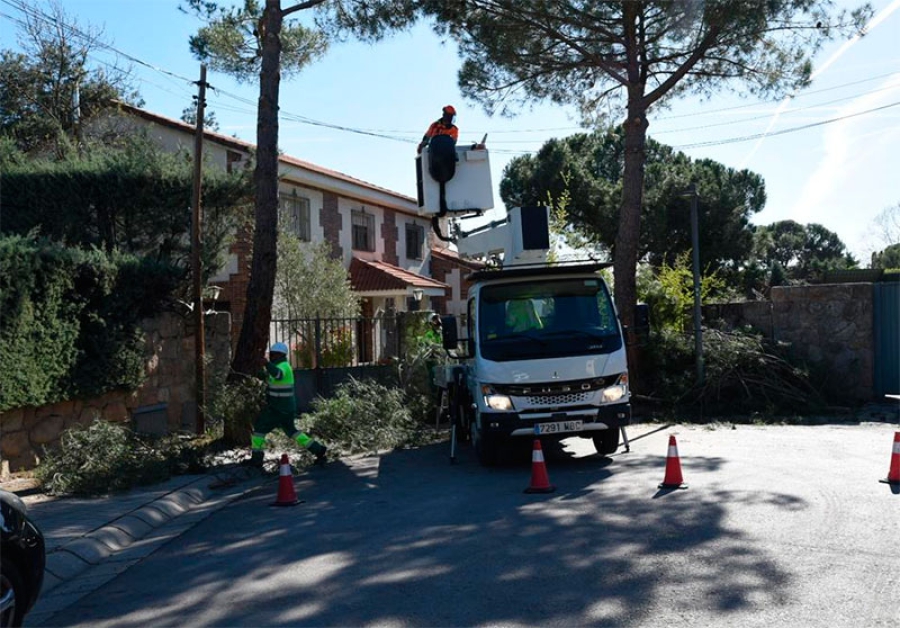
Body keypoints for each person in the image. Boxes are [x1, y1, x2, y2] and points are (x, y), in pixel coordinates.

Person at [248, 342, 327, 467]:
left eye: (273, 354)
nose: (271, 356)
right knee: (293, 432)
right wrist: (255, 371)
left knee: (259, 429)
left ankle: (256, 460)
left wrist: (266, 363)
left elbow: (278, 375)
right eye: (271, 354)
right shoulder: (278, 366)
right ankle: (318, 449)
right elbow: (269, 377)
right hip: (285, 409)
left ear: (280, 355)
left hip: (278, 409)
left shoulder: (284, 366)